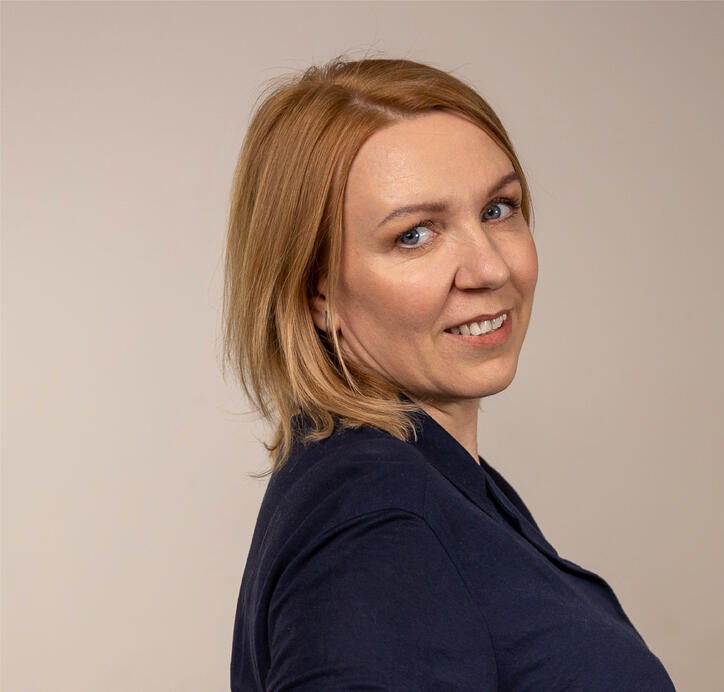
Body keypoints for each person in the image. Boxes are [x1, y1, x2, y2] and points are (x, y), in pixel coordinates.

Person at [223, 55, 676, 691]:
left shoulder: (431, 479)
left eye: (498, 209)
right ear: (315, 293)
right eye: (415, 235)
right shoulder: (378, 522)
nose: (491, 268)